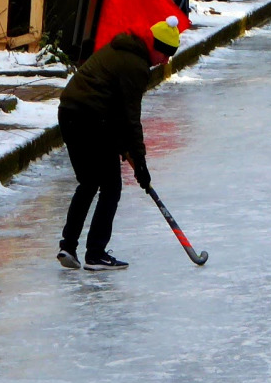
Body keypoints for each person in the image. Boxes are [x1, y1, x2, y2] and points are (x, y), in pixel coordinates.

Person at [55, 15, 181, 270]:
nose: (165, 61)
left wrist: (123, 146)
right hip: (90, 119)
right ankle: (96, 253)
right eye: (165, 55)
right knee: (111, 186)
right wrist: (141, 163)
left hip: (70, 113)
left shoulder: (121, 49)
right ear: (156, 48)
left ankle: (68, 246)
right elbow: (130, 117)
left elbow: (114, 107)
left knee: (89, 182)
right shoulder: (136, 66)